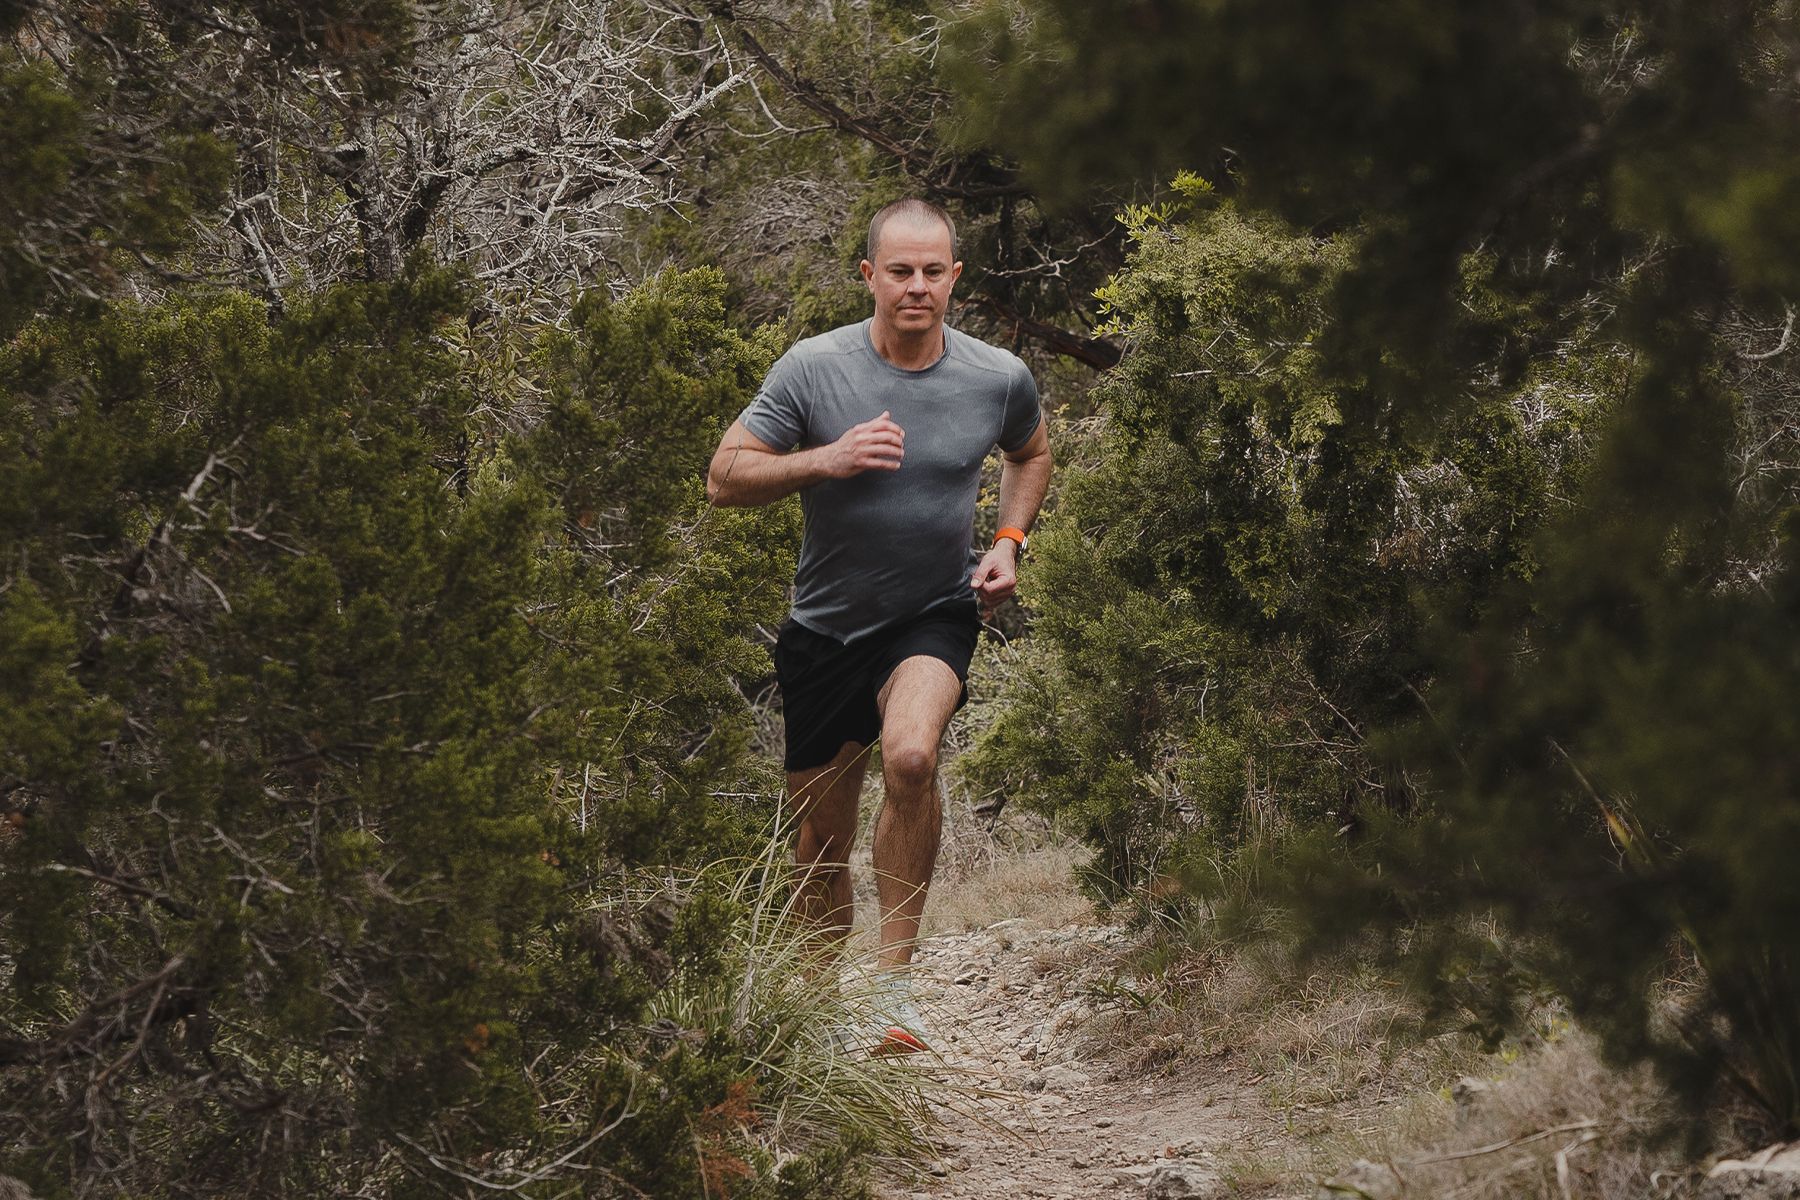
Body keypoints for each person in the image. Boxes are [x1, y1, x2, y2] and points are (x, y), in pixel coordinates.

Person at [706, 198, 1053, 1052]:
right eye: (900, 271)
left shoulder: (995, 375)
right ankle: (819, 1016)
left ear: (955, 278)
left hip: (932, 612)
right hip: (825, 630)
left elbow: (1031, 452)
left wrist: (1009, 541)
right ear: (869, 276)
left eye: (934, 271)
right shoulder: (812, 370)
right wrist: (828, 458)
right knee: (820, 843)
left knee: (911, 754)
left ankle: (893, 993)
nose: (917, 287)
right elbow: (723, 475)